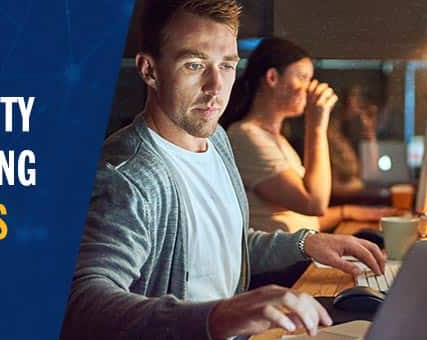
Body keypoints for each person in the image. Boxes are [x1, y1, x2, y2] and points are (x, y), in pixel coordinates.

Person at [61, 2, 387, 339]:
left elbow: (225, 242)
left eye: (227, 65)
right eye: (194, 64)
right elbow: (81, 303)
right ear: (149, 70)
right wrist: (218, 316)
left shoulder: (215, 139)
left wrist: (307, 243)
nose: (216, 86)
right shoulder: (128, 176)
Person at [223, 37, 397, 235]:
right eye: (303, 77)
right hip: (281, 263)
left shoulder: (275, 138)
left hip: (297, 252)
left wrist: (344, 212)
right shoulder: (245, 135)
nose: (309, 87)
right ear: (273, 78)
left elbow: (301, 220)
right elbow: (314, 203)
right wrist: (316, 125)